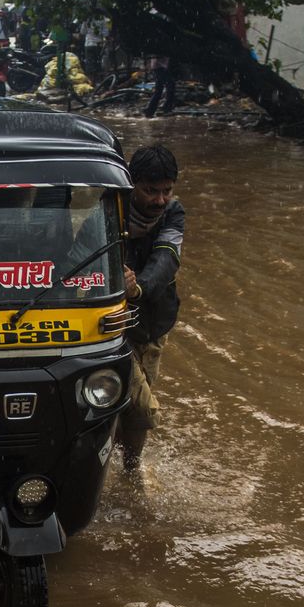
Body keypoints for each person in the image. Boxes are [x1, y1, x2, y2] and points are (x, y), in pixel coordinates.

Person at [117, 143, 184, 473]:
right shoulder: (109, 207)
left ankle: (130, 470)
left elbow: (166, 259)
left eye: (166, 191)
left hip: (153, 325)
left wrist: (137, 287)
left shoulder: (173, 213)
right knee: (141, 410)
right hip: (112, 326)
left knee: (134, 416)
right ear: (132, 185)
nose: (159, 200)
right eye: (150, 191)